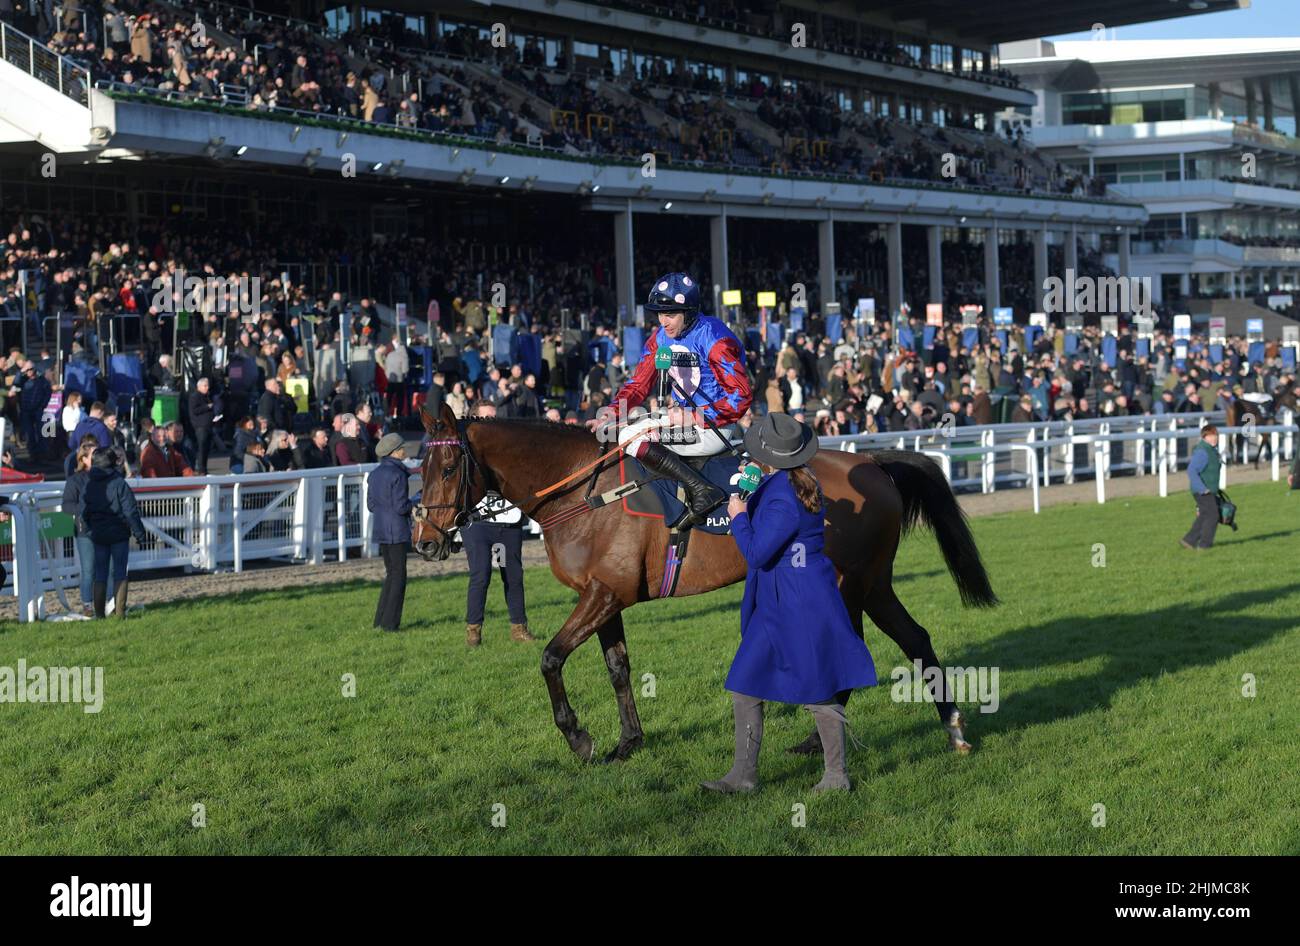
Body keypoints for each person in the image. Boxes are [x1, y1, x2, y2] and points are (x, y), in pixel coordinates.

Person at [702, 412, 876, 794]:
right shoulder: (799, 479)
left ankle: (835, 776)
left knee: (817, 689)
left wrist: (738, 516)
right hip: (788, 597)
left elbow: (757, 553)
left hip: (795, 600)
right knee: (746, 682)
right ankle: (743, 776)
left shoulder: (782, 493)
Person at [589, 272, 752, 528]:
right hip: (682, 420)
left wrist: (694, 415)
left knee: (631, 438)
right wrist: (613, 410)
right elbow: (639, 383)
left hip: (714, 428)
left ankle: (702, 491)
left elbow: (741, 397)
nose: (663, 321)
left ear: (688, 312)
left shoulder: (715, 339)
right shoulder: (660, 338)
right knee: (618, 430)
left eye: (671, 314)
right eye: (660, 314)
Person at [461, 402, 535, 646]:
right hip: (478, 524)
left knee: (513, 576)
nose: (492, 423)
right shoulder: (467, 449)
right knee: (481, 575)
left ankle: (519, 627)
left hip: (507, 520)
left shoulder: (509, 447)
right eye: (486, 418)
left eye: (494, 418)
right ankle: (474, 631)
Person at [81, 448, 148, 619]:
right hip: (119, 533)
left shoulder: (89, 484)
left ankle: (99, 614)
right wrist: (140, 534)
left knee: (100, 573)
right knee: (120, 572)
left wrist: (90, 529)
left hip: (99, 534)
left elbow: (84, 512)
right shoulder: (119, 484)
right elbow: (131, 512)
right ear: (112, 462)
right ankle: (120, 613)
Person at [366, 432, 414, 632]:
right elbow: (402, 506)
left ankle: (380, 620)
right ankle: (390, 623)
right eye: (402, 447)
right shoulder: (398, 474)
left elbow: (370, 505)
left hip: (381, 530)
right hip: (397, 531)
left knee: (391, 575)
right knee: (398, 577)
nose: (405, 450)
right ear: (395, 452)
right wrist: (415, 505)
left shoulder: (375, 474)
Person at [62, 440, 113, 617]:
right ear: (83, 459)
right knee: (89, 569)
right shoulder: (75, 480)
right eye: (94, 455)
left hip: (106, 528)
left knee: (109, 568)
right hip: (85, 530)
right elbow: (67, 506)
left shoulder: (107, 476)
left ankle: (111, 602)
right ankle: (87, 605)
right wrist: (86, 511)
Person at [1182, 424, 1222, 550]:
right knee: (1213, 515)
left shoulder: (1211, 450)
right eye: (1210, 436)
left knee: (1205, 514)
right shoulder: (1203, 451)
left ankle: (1189, 540)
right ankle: (1205, 545)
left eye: (1215, 435)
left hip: (1207, 490)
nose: (1214, 438)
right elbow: (1191, 470)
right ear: (1204, 437)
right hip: (1203, 491)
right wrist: (1202, 489)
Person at [189, 376, 216, 474]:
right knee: (201, 448)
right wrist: (206, 407)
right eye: (205, 386)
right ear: (199, 386)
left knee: (207, 448)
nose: (207, 387)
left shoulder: (207, 396)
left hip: (208, 425)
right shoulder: (195, 396)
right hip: (200, 426)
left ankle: (204, 468)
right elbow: (194, 410)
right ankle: (201, 469)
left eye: (208, 385)